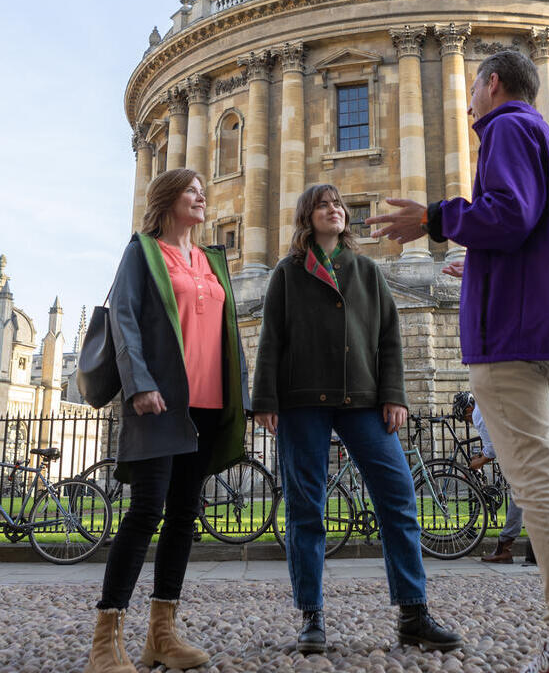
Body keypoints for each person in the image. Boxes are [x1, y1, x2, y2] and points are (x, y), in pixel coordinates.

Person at [367, 50, 549, 673]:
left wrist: (435, 217)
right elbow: (534, 236)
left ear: (491, 83)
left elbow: (508, 216)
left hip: (512, 338)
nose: (467, 104)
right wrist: (478, 261)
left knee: (540, 487)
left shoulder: (507, 127)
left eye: (473, 92)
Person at [251, 184, 462, 655]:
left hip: (364, 399)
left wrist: (395, 395)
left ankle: (413, 611)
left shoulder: (366, 270)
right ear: (307, 216)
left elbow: (389, 337)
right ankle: (312, 615)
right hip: (302, 400)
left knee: (398, 496)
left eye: (339, 204)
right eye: (324, 204)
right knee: (307, 510)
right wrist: (264, 398)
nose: (335, 210)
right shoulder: (287, 273)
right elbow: (271, 339)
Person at [84, 168, 249, 673]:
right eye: (190, 190)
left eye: (203, 190)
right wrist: (138, 384)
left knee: (183, 516)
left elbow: (228, 335)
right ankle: (104, 643)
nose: (201, 197)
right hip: (158, 400)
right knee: (144, 513)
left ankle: (162, 635)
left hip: (205, 403)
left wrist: (244, 394)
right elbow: (125, 318)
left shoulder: (210, 259)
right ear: (166, 199)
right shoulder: (144, 251)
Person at [453, 390, 535, 565]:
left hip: (523, 454)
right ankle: (524, 549)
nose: (470, 422)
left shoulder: (478, 415)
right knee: (527, 497)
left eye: (466, 419)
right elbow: (496, 440)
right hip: (526, 449)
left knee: (518, 497)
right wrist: (482, 456)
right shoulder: (486, 406)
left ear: (468, 408)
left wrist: (479, 462)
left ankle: (505, 548)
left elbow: (492, 448)